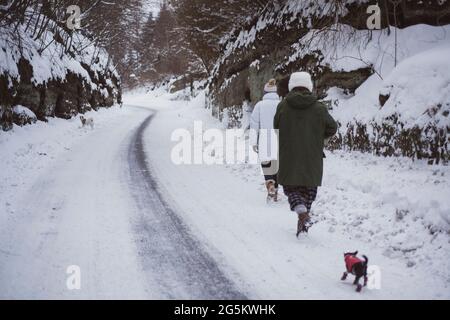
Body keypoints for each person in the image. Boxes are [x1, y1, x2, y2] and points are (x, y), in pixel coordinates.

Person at [274, 71, 337, 236]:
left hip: (289, 158)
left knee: (291, 189)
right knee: (309, 193)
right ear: (309, 86)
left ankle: (302, 217)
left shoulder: (283, 106)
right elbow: (332, 128)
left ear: (291, 86)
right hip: (312, 158)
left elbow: (276, 126)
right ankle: (303, 223)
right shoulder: (319, 107)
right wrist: (318, 137)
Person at [250, 79, 281, 202]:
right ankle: (276, 190)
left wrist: (253, 142)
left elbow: (254, 124)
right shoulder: (281, 104)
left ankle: (270, 185)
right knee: (276, 165)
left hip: (264, 139)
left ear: (265, 92)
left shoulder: (259, 105)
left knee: (267, 165)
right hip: (279, 138)